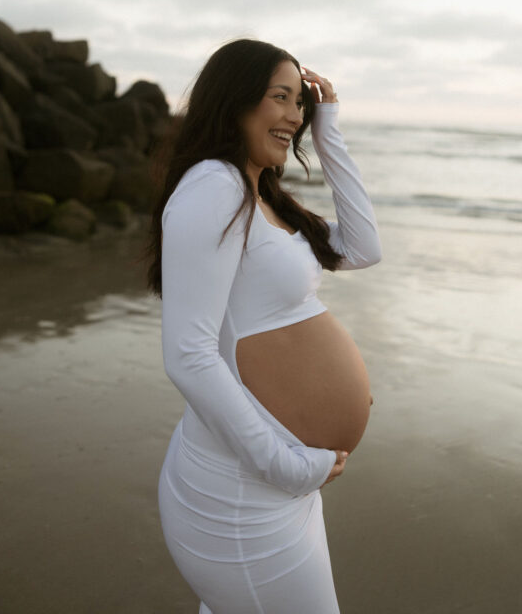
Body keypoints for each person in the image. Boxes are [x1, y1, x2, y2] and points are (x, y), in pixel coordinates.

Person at [148, 39, 382, 614]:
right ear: (235, 100)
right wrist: (287, 465)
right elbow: (189, 355)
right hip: (242, 486)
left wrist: (329, 133)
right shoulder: (214, 186)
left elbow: (363, 247)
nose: (295, 116)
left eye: (300, 103)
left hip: (272, 482)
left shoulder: (263, 198)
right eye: (281, 98)